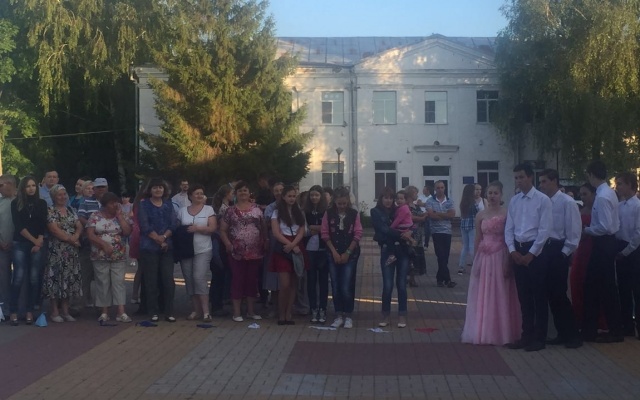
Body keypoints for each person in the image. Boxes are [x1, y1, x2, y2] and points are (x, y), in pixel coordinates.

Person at [461, 181, 521, 345]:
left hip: (501, 255)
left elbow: (510, 237)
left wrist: (509, 260)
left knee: (502, 292)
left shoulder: (507, 213)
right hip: (485, 258)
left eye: (495, 193)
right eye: (490, 193)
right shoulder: (480, 215)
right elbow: (477, 238)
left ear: (501, 195)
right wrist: (475, 261)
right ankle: (484, 329)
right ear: (485, 195)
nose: (492, 196)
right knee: (484, 293)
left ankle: (503, 331)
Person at [504, 163, 552, 352]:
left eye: (521, 177)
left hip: (536, 253)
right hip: (518, 250)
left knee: (539, 296)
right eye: (516, 177)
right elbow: (509, 228)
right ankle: (526, 335)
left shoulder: (542, 200)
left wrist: (531, 254)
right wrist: (512, 250)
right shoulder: (514, 201)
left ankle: (539, 338)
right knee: (523, 297)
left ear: (530, 177)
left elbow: (545, 230)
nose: (518, 181)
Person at [538, 169, 582, 348]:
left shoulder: (567, 202)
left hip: (559, 248)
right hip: (544, 248)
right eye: (540, 182)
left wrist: (564, 253)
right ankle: (561, 333)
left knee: (559, 294)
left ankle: (573, 335)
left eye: (544, 181)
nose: (541, 185)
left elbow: (574, 231)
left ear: (554, 181)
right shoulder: (542, 201)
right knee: (549, 294)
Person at [582, 160, 624, 343]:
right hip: (606, 243)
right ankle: (594, 329)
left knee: (602, 287)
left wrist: (587, 230)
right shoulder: (608, 193)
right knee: (598, 286)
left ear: (592, 175)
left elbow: (605, 226)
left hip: (603, 243)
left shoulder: (602, 197)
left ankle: (612, 331)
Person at [220, 181, 266, 322]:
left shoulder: (257, 209)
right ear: (236, 193)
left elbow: (263, 227)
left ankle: (251, 311)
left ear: (249, 193)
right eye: (240, 191)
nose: (243, 193)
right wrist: (228, 244)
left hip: (255, 252)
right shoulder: (230, 211)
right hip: (236, 252)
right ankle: (237, 312)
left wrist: (265, 241)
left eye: (245, 190)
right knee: (237, 280)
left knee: (252, 281)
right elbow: (222, 230)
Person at [371, 187, 414, 328]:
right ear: (381, 199)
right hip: (387, 250)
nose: (389, 201)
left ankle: (402, 315)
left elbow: (410, 223)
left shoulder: (400, 209)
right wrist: (403, 235)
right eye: (386, 198)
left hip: (402, 250)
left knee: (401, 284)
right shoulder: (375, 212)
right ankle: (385, 315)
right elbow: (383, 230)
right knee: (388, 285)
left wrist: (410, 231)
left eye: (391, 198)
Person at [86, 192, 132, 322]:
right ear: (105, 205)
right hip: (100, 255)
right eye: (112, 203)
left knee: (118, 282)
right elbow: (90, 234)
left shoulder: (121, 215)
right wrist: (103, 244)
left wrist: (119, 216)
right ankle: (104, 311)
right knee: (102, 282)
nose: (115, 205)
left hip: (118, 254)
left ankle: (121, 312)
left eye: (116, 202)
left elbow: (127, 232)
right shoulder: (95, 216)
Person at [9, 176, 48, 325]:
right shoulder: (16, 203)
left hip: (37, 244)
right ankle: (13, 311)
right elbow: (19, 226)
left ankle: (30, 311)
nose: (31, 188)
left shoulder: (42, 203)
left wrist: (39, 241)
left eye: (33, 186)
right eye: (28, 186)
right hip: (20, 243)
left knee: (34, 278)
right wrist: (34, 240)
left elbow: (42, 223)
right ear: (23, 188)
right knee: (18, 277)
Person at [322, 187, 363, 329]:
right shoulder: (328, 213)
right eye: (339, 203)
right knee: (335, 284)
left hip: (350, 253)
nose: (342, 206)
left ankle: (348, 314)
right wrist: (334, 252)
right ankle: (338, 314)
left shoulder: (354, 214)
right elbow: (325, 234)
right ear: (335, 202)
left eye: (344, 203)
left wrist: (348, 252)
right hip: (333, 251)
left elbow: (358, 233)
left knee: (347, 285)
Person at [138, 178, 177, 323]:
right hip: (149, 247)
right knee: (151, 281)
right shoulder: (144, 204)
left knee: (168, 280)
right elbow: (144, 225)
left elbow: (173, 224)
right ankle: (153, 311)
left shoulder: (168, 204)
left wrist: (164, 237)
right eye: (155, 187)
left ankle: (169, 311)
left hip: (167, 247)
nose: (158, 190)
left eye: (160, 187)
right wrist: (158, 239)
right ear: (150, 190)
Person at [43, 185, 83, 322]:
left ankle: (66, 311)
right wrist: (72, 240)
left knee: (68, 279)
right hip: (57, 250)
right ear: (54, 197)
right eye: (59, 194)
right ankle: (55, 311)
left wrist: (76, 236)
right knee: (56, 279)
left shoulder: (71, 210)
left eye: (64, 194)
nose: (62, 197)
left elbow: (79, 225)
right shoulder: (50, 211)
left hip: (71, 252)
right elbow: (54, 229)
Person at [177, 184, 216, 322]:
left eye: (201, 193)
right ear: (190, 196)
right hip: (186, 250)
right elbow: (177, 229)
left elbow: (213, 228)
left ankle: (206, 312)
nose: (199, 196)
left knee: (199, 277)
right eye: (196, 193)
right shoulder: (182, 211)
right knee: (189, 279)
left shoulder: (208, 209)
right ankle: (195, 310)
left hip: (203, 249)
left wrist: (198, 229)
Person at [271, 185, 307, 325]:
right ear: (284, 197)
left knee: (293, 283)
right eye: (289, 196)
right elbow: (276, 232)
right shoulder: (276, 212)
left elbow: (302, 230)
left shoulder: (300, 212)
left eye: (294, 196)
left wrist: (294, 244)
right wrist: (289, 245)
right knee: (284, 284)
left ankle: (288, 314)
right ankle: (281, 314)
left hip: (296, 245)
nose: (292, 199)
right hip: (283, 246)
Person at [613, 172, 640, 338]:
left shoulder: (637, 206)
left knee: (637, 289)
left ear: (630, 184)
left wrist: (626, 251)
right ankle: (627, 325)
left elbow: (638, 233)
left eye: (620, 184)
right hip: (620, 246)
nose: (618, 187)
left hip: (634, 250)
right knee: (623, 289)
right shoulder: (620, 205)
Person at [570, 183, 596, 325]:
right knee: (576, 280)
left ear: (593, 194)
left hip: (593, 248)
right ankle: (579, 316)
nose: (582, 197)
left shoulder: (598, 210)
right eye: (581, 194)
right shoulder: (579, 210)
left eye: (585, 194)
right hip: (580, 249)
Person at [304, 185, 328, 323]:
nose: (314, 197)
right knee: (311, 280)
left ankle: (323, 308)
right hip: (309, 249)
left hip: (323, 249)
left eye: (317, 195)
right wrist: (312, 228)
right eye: (312, 195)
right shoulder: (305, 211)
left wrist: (315, 227)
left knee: (323, 281)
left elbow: (326, 228)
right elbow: (304, 229)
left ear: (321, 196)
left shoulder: (326, 211)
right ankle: (313, 308)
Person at [426, 181, 457, 288]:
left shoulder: (450, 201)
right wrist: (445, 215)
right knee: (440, 255)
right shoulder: (430, 201)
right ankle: (448, 280)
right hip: (436, 232)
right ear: (435, 189)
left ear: (444, 188)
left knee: (445, 256)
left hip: (447, 231)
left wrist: (437, 213)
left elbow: (452, 215)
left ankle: (440, 279)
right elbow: (431, 215)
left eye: (442, 187)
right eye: (438, 188)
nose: (440, 189)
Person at [384, 190, 416, 266]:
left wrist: (391, 228)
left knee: (389, 236)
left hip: (404, 227)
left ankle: (392, 255)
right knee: (402, 243)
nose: (399, 200)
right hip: (403, 228)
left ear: (406, 200)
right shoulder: (399, 208)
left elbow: (398, 220)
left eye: (401, 199)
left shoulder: (404, 208)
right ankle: (411, 257)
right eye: (397, 199)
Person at [0, 175, 16, 309]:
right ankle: (5, 308)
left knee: (20, 277)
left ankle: (19, 307)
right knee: (3, 278)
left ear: (10, 185)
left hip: (19, 245)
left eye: (1, 185)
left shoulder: (20, 201)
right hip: (2, 246)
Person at [458, 184, 478, 275]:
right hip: (472, 225)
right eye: (475, 190)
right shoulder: (473, 202)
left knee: (465, 246)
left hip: (463, 225)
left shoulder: (463, 202)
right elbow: (477, 213)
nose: (476, 192)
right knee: (472, 246)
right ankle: (476, 266)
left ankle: (461, 266)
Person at [416, 184, 433, 248]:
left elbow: (429, 206)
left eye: (424, 190)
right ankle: (418, 243)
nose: (423, 191)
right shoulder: (421, 196)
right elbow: (418, 203)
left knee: (427, 231)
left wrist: (423, 204)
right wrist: (425, 204)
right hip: (420, 215)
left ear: (428, 190)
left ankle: (426, 245)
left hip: (427, 215)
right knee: (418, 230)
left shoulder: (431, 198)